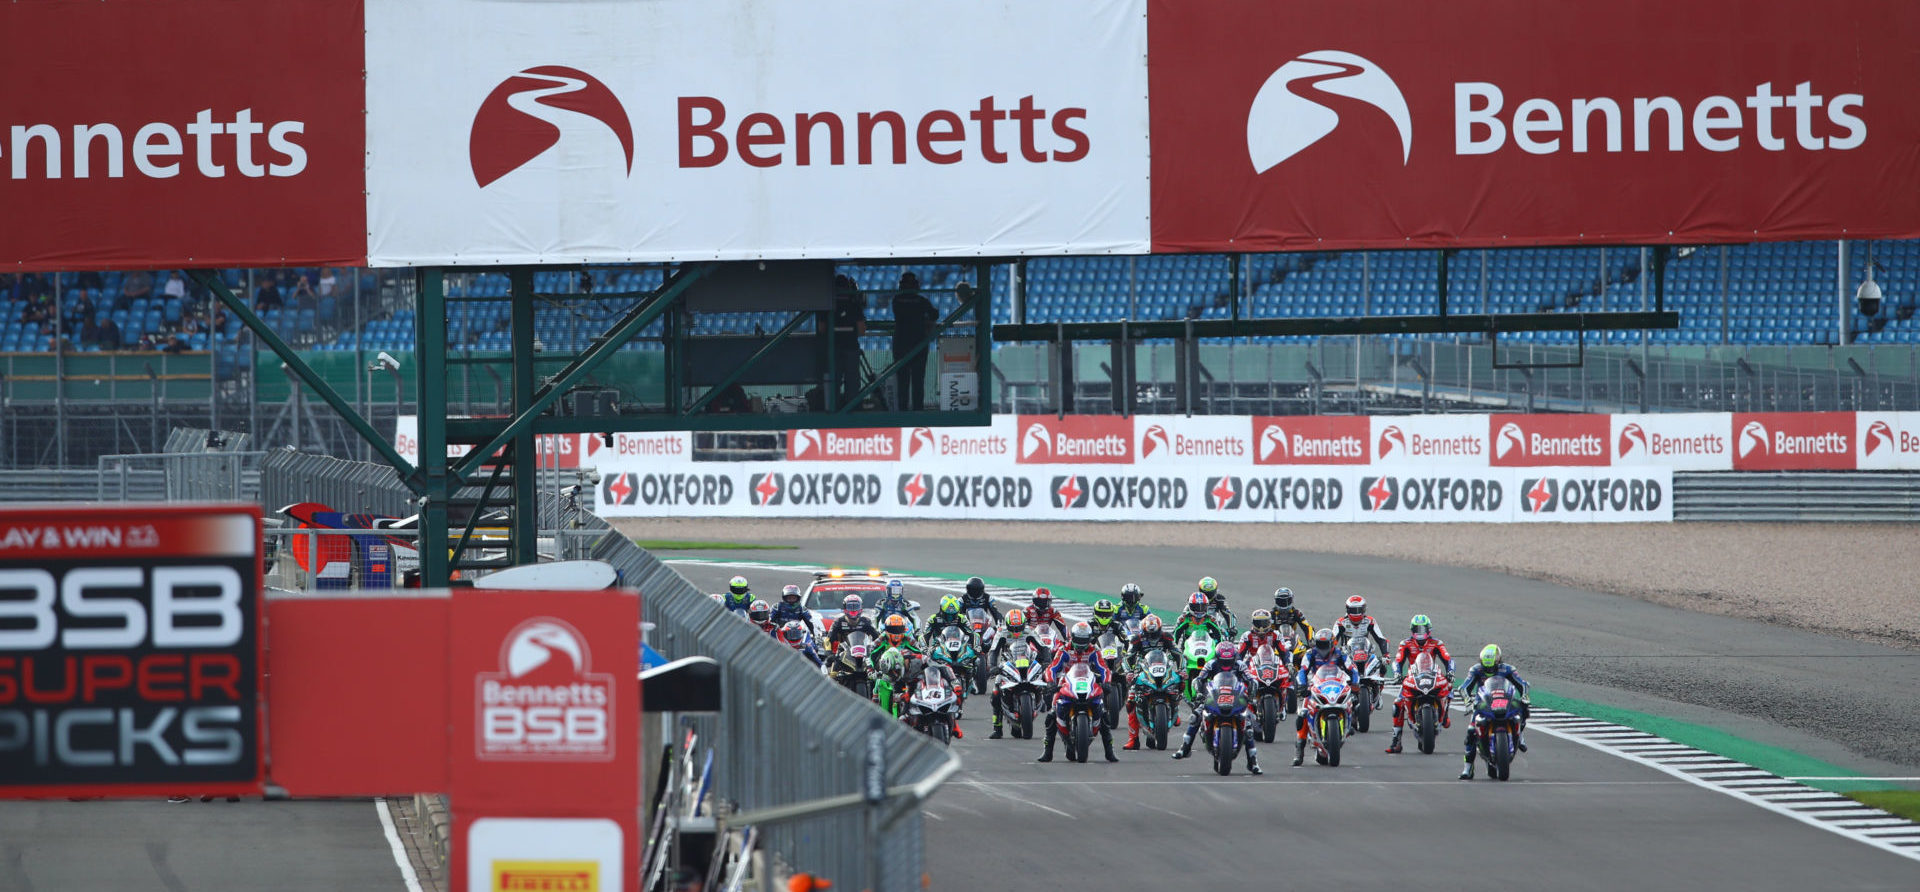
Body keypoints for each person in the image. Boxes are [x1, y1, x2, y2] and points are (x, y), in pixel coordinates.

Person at [1170, 642, 1262, 774]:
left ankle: (1253, 762)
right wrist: (1199, 693)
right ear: (1218, 658)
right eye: (1223, 661)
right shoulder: (1211, 664)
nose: (1226, 665)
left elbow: (1252, 680)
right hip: (1215, 695)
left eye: (1229, 661)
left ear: (1234, 658)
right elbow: (1199, 679)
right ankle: (1184, 748)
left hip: (1235, 696)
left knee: (1248, 724)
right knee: (1196, 715)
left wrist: (1252, 694)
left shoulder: (1240, 665)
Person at [1038, 622, 1116, 763]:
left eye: (1084, 640)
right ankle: (1047, 752)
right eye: (1078, 640)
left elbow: (1104, 669)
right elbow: (1052, 668)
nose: (1081, 644)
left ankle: (1109, 751)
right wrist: (1050, 682)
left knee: (1104, 713)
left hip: (1089, 683)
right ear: (1073, 638)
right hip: (1066, 683)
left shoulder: (1094, 651)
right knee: (1051, 714)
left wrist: (1107, 682)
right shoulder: (1064, 650)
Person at [1385, 615, 1454, 754]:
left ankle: (1444, 714)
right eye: (1417, 629)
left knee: (1449, 688)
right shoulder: (1405, 644)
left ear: (1429, 629)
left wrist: (1451, 671)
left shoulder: (1437, 643)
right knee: (1398, 703)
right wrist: (1397, 673)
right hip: (1413, 676)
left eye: (1423, 628)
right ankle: (1396, 741)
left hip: (1432, 674)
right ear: (1412, 630)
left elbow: (1448, 659)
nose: (1420, 632)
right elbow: (1397, 661)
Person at [1459, 644, 1530, 779]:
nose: (1489, 670)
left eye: (1491, 667)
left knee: (1523, 708)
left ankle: (1520, 734)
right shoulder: (1475, 670)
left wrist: (1525, 697)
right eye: (1486, 668)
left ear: (1498, 661)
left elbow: (1523, 684)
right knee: (1470, 732)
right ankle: (1467, 769)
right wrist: (1467, 702)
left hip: (1505, 699)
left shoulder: (1508, 669)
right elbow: (1464, 688)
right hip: (1484, 703)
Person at [1292, 629, 1361, 766]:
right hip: (1317, 685)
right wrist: (1302, 685)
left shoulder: (1340, 653)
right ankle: (1299, 748)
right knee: (1303, 712)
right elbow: (1302, 671)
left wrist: (1355, 683)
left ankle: (1350, 722)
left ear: (1332, 643)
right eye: (1319, 644)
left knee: (1354, 701)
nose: (1322, 648)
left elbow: (1353, 669)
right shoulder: (1310, 654)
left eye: (1324, 644)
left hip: (1337, 685)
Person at [1122, 614, 1183, 749]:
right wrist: (1128, 672)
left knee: (1179, 683)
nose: (1152, 637)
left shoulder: (1166, 637)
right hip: (1143, 670)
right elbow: (1128, 658)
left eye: (1154, 633)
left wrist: (1182, 668)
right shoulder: (1137, 639)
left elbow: (1177, 653)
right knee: (1131, 700)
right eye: (1149, 634)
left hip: (1164, 669)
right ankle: (1133, 739)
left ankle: (1175, 711)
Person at [889, 271, 938, 410]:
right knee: (918, 381)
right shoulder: (922, 301)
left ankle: (903, 411)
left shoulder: (896, 300)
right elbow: (935, 314)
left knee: (902, 382)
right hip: (919, 344)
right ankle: (918, 411)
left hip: (901, 345)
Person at [830, 275, 867, 409]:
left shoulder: (828, 303)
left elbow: (821, 328)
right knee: (852, 382)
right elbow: (862, 330)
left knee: (833, 381)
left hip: (833, 348)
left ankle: (832, 409)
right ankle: (851, 410)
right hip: (851, 347)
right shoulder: (854, 305)